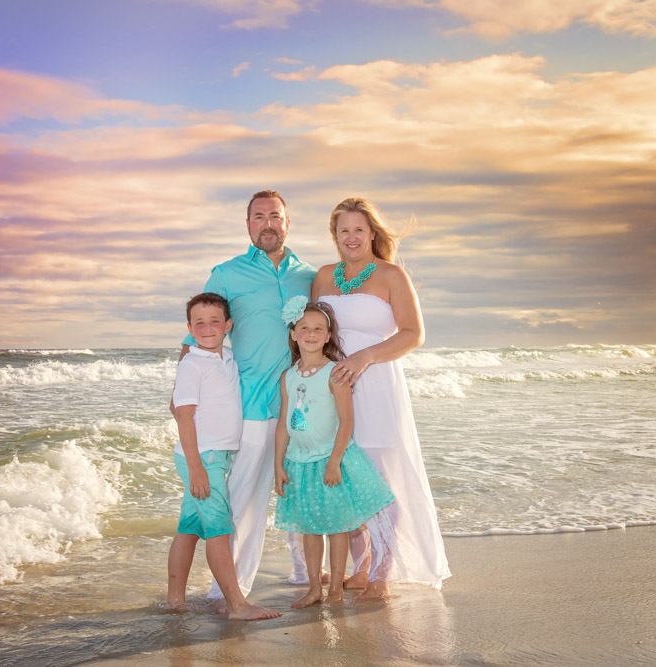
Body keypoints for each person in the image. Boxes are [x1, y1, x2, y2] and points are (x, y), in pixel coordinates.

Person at [178, 190, 317, 598]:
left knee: (300, 490)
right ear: (248, 225)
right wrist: (182, 397)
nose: (267, 223)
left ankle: (306, 574)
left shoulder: (309, 276)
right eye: (259, 217)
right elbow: (197, 337)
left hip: (300, 402)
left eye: (275, 216)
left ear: (287, 223)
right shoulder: (226, 273)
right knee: (245, 502)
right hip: (251, 403)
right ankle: (227, 594)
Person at [311, 196, 451, 600]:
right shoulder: (323, 277)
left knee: (379, 478)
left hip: (376, 385)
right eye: (343, 230)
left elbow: (413, 334)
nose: (351, 237)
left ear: (372, 233)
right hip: (333, 387)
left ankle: (381, 575)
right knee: (347, 477)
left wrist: (366, 356)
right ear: (334, 236)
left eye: (359, 229)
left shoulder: (391, 276)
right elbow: (312, 329)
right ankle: (362, 564)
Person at [166, 293, 281, 620]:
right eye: (198, 323)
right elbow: (183, 416)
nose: (207, 328)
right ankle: (237, 605)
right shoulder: (192, 365)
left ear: (228, 325)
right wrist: (196, 468)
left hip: (216, 458)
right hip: (202, 459)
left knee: (188, 529)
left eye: (214, 321)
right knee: (219, 530)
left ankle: (174, 602)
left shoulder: (228, 358)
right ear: (189, 328)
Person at [274, 297, 394, 608]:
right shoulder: (288, 376)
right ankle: (314, 588)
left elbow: (346, 421)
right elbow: (283, 425)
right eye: (304, 328)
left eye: (318, 329)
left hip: (329, 461)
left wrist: (335, 461)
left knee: (337, 527)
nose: (311, 334)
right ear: (293, 333)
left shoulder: (335, 372)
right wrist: (278, 465)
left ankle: (336, 591)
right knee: (309, 529)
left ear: (328, 336)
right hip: (299, 464)